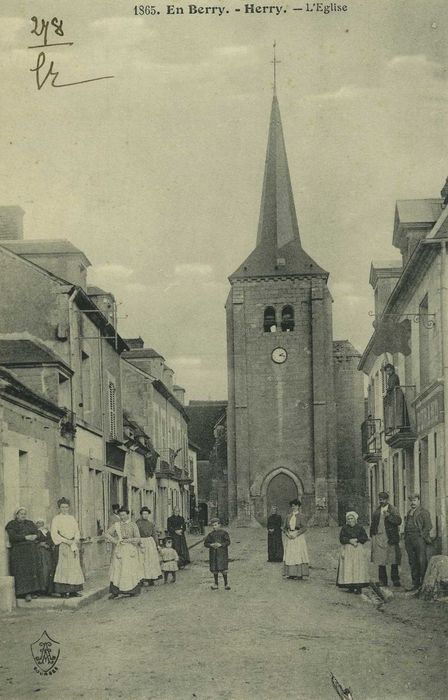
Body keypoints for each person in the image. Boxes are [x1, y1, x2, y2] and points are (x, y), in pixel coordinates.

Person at [105, 507, 143, 599]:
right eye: (120, 515)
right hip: (120, 549)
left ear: (127, 514)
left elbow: (138, 538)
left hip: (130, 549)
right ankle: (115, 592)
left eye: (124, 515)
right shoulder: (116, 525)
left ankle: (133, 590)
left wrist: (129, 540)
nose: (122, 517)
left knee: (130, 569)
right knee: (117, 570)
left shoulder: (133, 525)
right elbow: (107, 533)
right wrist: (115, 541)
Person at [51, 497, 85, 597]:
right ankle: (64, 591)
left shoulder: (72, 518)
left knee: (74, 567)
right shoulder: (56, 519)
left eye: (66, 507)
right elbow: (54, 533)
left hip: (73, 544)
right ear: (59, 508)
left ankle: (74, 590)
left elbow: (77, 530)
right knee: (64, 567)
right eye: (62, 507)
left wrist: (75, 540)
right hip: (63, 545)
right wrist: (66, 541)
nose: (64, 509)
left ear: (68, 508)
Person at [5, 507, 40, 602]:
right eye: (21, 514)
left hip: (30, 550)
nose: (23, 515)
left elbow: (37, 532)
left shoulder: (29, 523)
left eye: (24, 514)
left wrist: (35, 536)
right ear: (16, 515)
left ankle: (32, 591)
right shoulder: (12, 524)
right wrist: (25, 537)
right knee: (21, 571)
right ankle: (24, 593)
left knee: (31, 570)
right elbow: (13, 537)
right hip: (19, 551)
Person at [370, 492, 402, 588]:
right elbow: (373, 523)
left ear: (387, 500)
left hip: (390, 537)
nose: (381, 501)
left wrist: (389, 516)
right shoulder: (377, 511)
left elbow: (399, 521)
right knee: (381, 560)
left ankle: (395, 580)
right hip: (380, 537)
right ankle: (382, 580)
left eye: (383, 499)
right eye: (380, 499)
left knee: (393, 559)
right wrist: (372, 535)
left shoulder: (393, 509)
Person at [404, 494, 433, 592]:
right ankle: (415, 583)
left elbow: (429, 526)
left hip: (418, 538)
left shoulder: (423, 512)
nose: (412, 502)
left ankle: (423, 584)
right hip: (409, 538)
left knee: (421, 561)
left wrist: (422, 536)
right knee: (412, 561)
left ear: (418, 500)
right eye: (411, 500)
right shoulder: (409, 512)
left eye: (414, 500)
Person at [337, 511, 370, 594]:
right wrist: (349, 541)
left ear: (355, 519)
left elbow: (365, 537)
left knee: (357, 568)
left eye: (352, 518)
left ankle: (358, 588)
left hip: (357, 549)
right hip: (348, 549)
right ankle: (350, 586)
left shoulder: (360, 528)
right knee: (349, 567)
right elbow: (341, 538)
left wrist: (357, 540)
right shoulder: (344, 528)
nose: (350, 520)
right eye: (348, 519)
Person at [283, 499, 309, 580]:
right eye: (293, 506)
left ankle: (299, 574)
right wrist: (287, 534)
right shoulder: (288, 516)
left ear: (298, 506)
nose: (294, 507)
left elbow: (304, 528)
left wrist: (296, 534)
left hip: (298, 537)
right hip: (290, 537)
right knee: (290, 554)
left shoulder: (302, 516)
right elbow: (284, 527)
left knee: (298, 553)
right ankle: (291, 573)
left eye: (296, 506)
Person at [136, 506, 162, 587]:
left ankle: (151, 578)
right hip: (142, 542)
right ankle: (142, 579)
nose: (145, 515)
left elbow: (154, 534)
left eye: (147, 514)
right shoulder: (137, 523)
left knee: (151, 561)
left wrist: (157, 545)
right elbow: (135, 534)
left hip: (150, 543)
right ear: (141, 514)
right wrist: (138, 543)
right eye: (144, 514)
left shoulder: (151, 524)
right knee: (142, 561)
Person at [204, 518, 231, 590]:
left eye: (215, 525)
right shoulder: (210, 534)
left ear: (219, 525)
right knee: (214, 569)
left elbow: (228, 542)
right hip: (213, 554)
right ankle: (216, 584)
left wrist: (221, 544)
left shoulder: (224, 533)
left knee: (223, 569)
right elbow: (206, 543)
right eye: (213, 525)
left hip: (222, 554)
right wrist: (211, 545)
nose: (214, 527)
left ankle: (226, 584)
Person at [35, 518, 54, 595]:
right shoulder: (35, 532)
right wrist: (39, 544)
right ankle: (40, 589)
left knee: (48, 569)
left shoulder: (47, 532)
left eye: (41, 523)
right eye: (38, 523)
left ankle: (47, 589)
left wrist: (47, 545)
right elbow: (34, 541)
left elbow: (51, 540)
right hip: (38, 553)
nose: (40, 524)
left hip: (47, 553)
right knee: (40, 569)